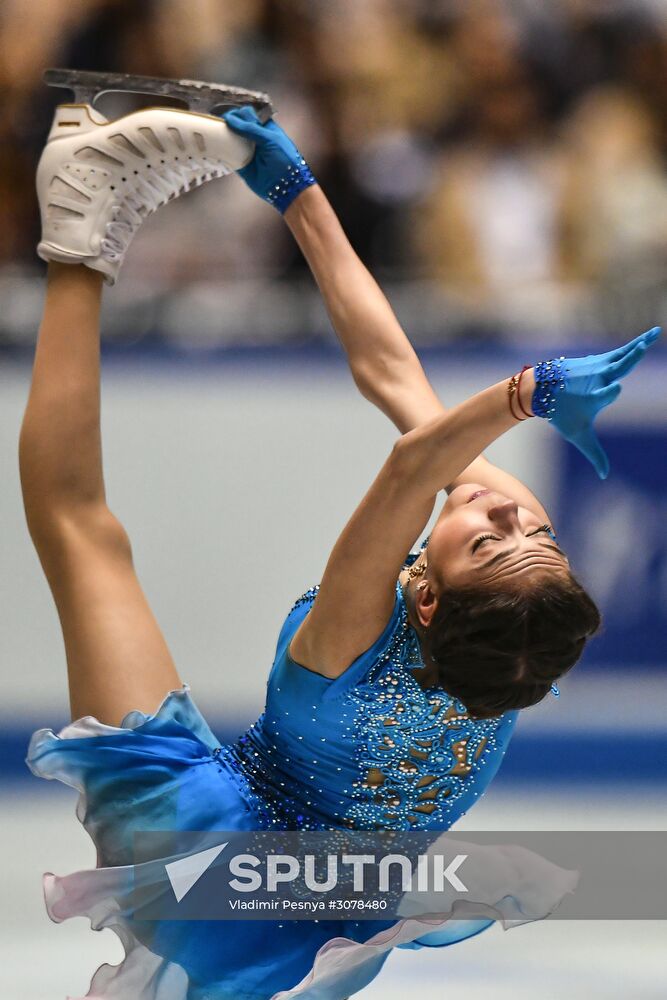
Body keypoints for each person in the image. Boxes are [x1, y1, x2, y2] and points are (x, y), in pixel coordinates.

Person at [24, 96, 659, 1000]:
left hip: (213, 851)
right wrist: (294, 189)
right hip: (341, 892)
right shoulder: (518, 626)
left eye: (490, 537)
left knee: (81, 528)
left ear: (426, 600)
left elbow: (412, 463)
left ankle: (77, 231)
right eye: (536, 531)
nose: (506, 507)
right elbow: (392, 375)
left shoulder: (355, 634)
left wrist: (526, 393)